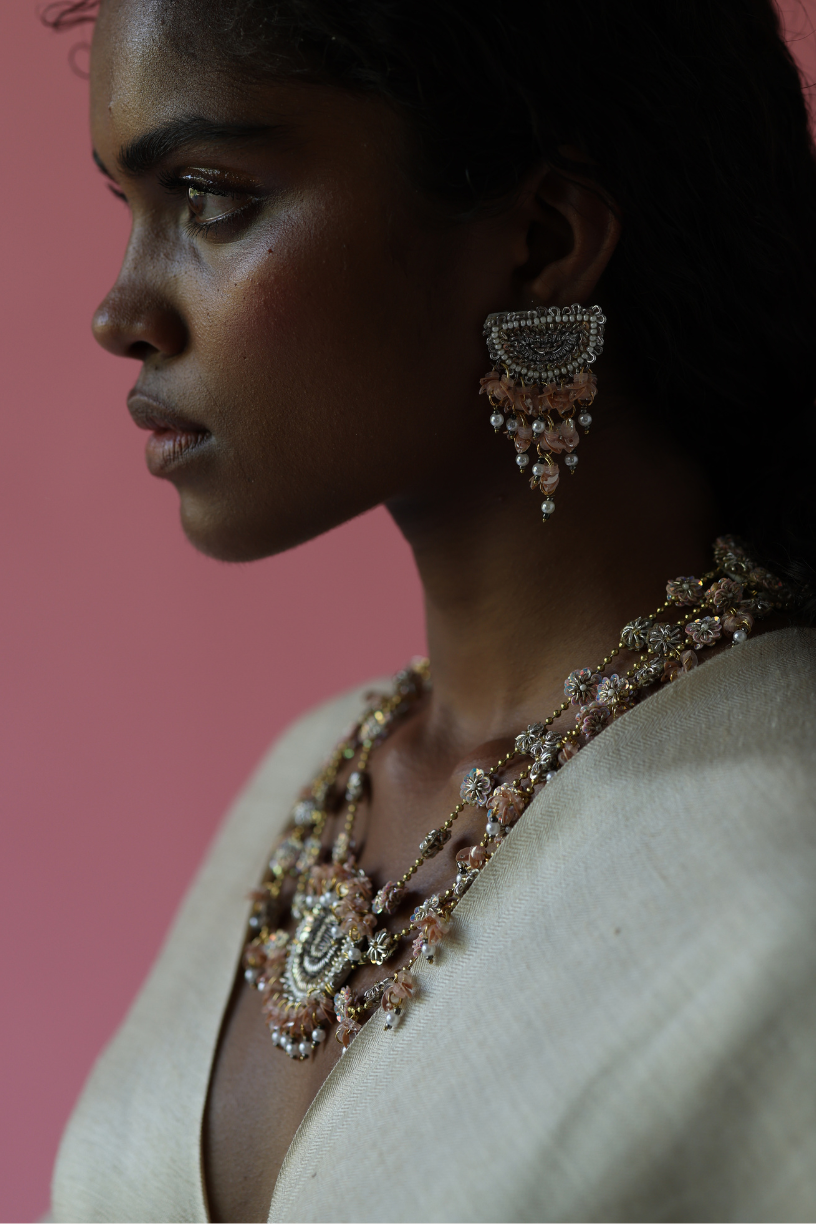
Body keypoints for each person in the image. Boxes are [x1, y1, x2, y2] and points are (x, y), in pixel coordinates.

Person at [44, 0, 816, 1220]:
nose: (122, 311)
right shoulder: (305, 782)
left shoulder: (778, 867)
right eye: (125, 206)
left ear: (541, 242)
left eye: (210, 196)